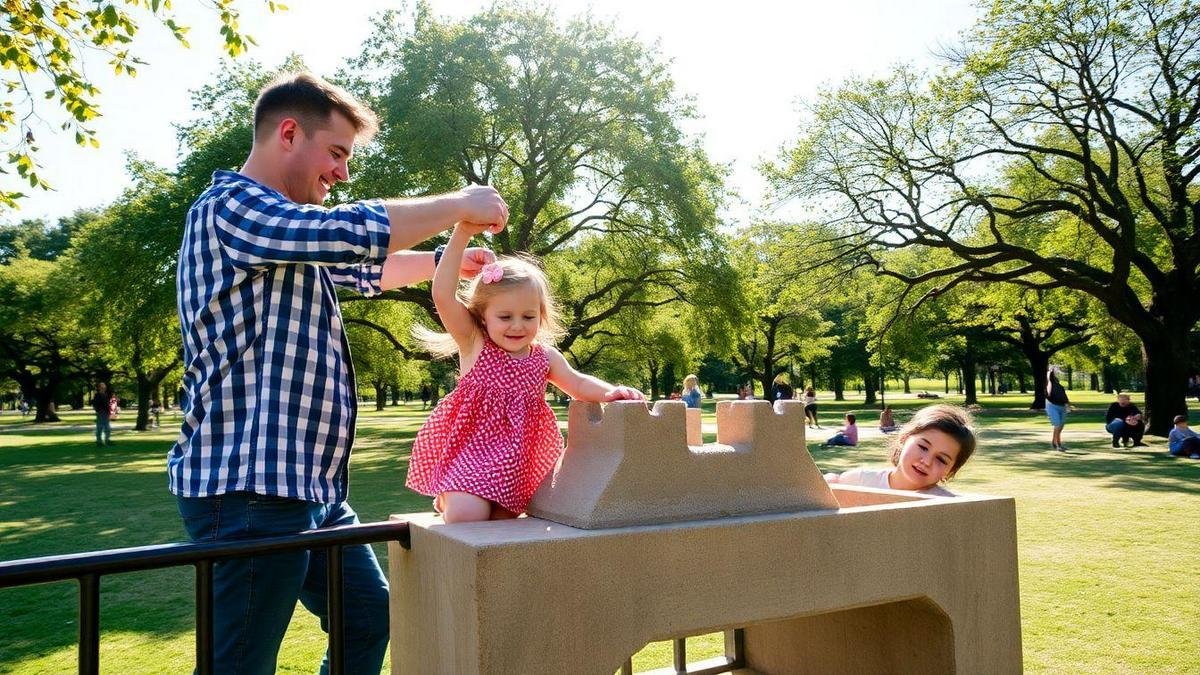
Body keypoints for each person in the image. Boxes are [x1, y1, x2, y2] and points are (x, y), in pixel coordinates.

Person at [169, 72, 510, 675]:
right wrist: (458, 205)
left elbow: (367, 269)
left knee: (366, 618)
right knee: (239, 662)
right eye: (336, 153)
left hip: (310, 487)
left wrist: (447, 260)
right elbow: (343, 233)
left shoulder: (286, 239)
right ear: (289, 133)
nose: (343, 173)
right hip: (249, 485)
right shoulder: (231, 209)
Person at [406, 224, 644, 523]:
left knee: (504, 523)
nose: (517, 325)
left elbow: (577, 382)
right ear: (482, 316)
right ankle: (451, 495)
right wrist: (463, 233)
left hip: (514, 464)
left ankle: (464, 502)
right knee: (467, 515)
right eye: (505, 317)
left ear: (540, 315)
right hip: (472, 455)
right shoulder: (474, 343)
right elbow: (442, 294)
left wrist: (610, 392)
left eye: (528, 316)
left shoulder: (544, 357)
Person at [825, 404, 976, 496]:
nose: (927, 461)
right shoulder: (858, 481)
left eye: (941, 459)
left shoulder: (948, 507)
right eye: (923, 447)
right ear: (904, 438)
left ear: (950, 471)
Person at [1045, 368, 1070, 451]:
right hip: (1052, 406)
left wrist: (1067, 405)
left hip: (1062, 407)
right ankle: (1057, 444)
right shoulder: (1050, 382)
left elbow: (1064, 396)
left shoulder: (1059, 385)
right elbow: (1049, 378)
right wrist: (1050, 371)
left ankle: (1056, 442)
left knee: (1060, 426)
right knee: (1057, 425)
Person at [91, 382, 114, 447]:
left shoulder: (105, 395)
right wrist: (98, 410)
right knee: (100, 427)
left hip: (106, 413)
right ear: (99, 388)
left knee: (107, 428)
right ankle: (99, 442)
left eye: (104, 386)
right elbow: (95, 404)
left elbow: (107, 404)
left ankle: (107, 440)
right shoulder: (98, 395)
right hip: (101, 413)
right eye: (102, 387)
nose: (104, 388)